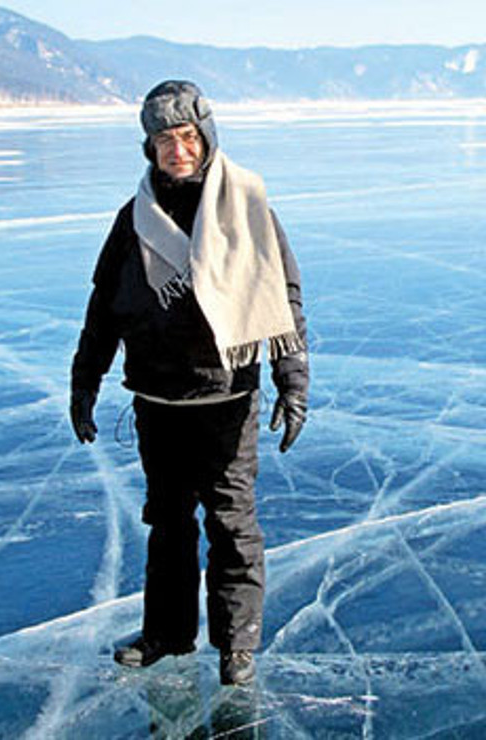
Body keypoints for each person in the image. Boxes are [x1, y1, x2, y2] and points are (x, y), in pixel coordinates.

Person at [69, 80, 309, 686]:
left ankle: (237, 646)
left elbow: (282, 298)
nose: (176, 150)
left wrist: (293, 382)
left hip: (226, 395)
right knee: (168, 521)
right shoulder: (135, 218)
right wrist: (85, 382)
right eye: (163, 141)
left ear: (205, 137)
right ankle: (167, 635)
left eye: (185, 137)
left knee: (231, 522)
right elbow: (104, 306)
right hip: (156, 397)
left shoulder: (246, 202)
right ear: (148, 149)